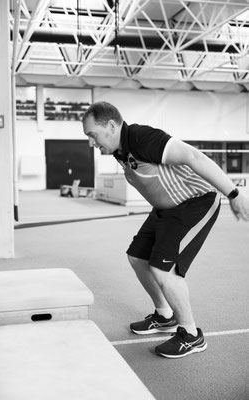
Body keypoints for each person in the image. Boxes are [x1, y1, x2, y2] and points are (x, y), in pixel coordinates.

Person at [82, 101, 249, 359]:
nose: (92, 142)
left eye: (92, 135)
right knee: (137, 257)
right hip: (165, 209)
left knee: (163, 269)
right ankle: (164, 316)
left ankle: (191, 334)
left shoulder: (141, 138)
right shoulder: (120, 150)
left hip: (195, 203)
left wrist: (234, 193)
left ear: (112, 126)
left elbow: (194, 157)